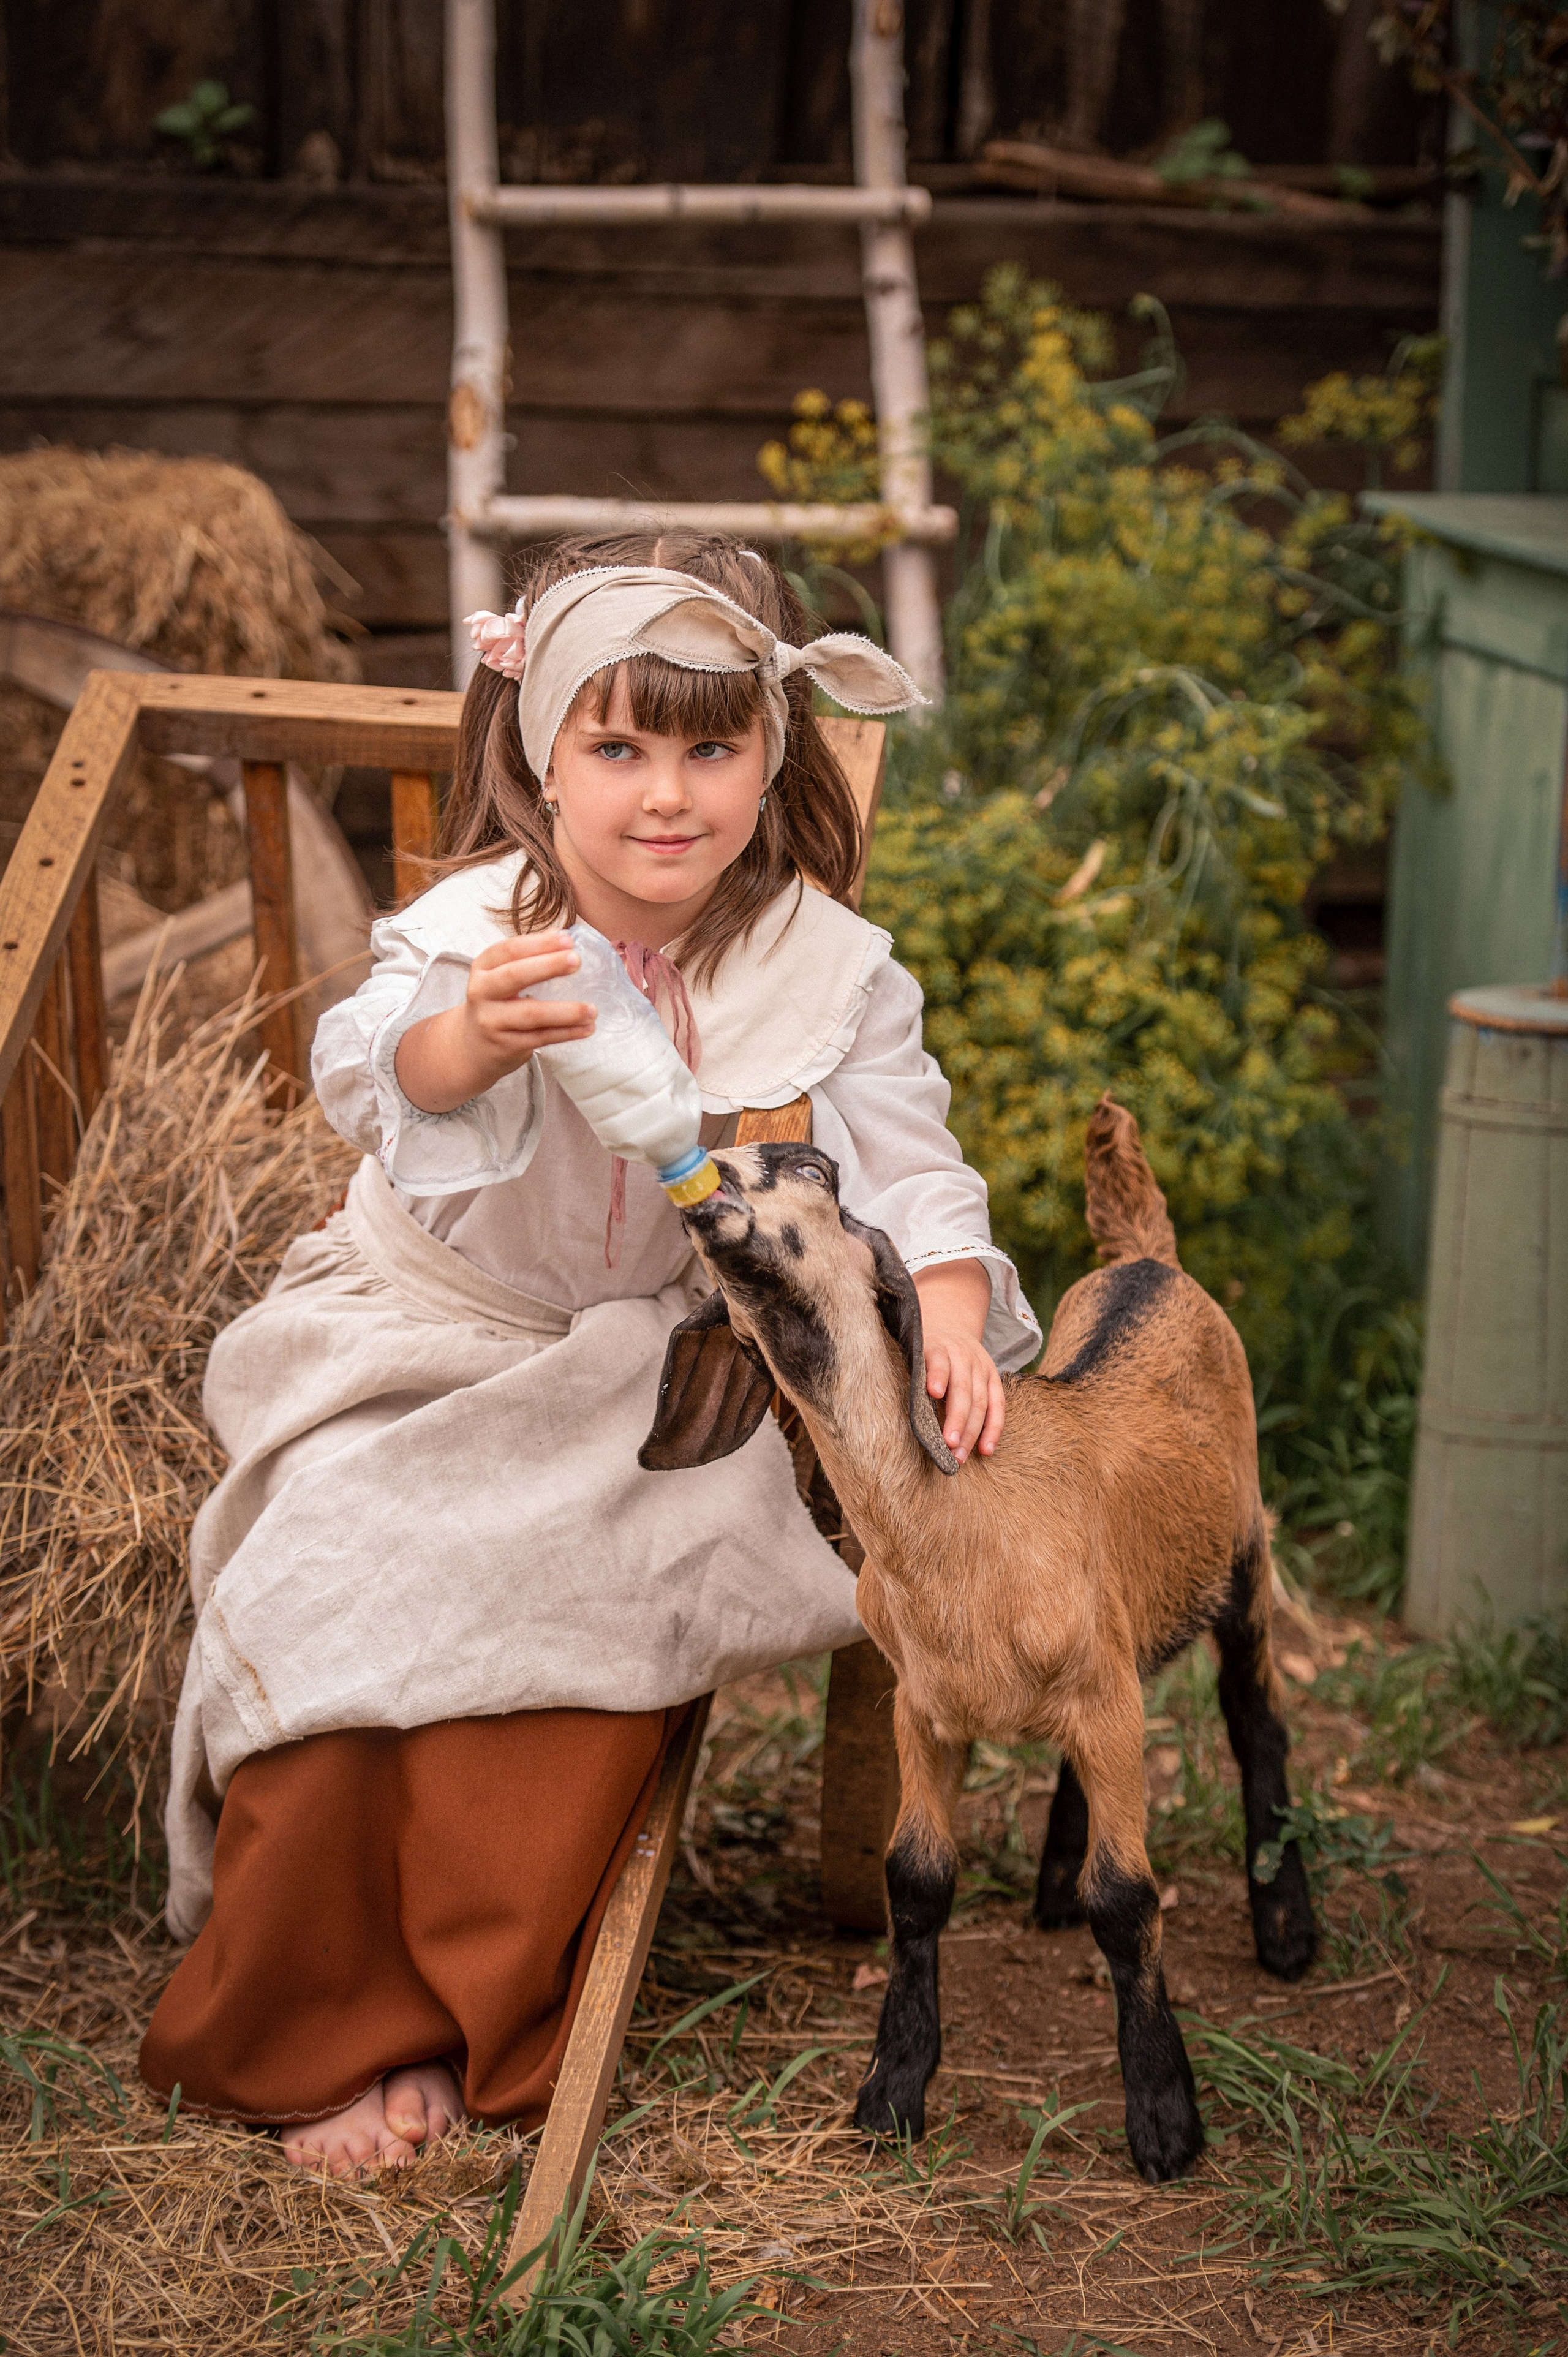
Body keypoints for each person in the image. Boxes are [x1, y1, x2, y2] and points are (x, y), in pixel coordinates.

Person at [139, 532, 1041, 2178]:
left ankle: (465, 2015)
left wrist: (959, 1304)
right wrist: (475, 1030)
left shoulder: (826, 963)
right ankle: (321, 2021)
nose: (667, 794)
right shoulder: (479, 927)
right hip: (425, 1335)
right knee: (335, 1582)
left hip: (642, 1379)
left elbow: (910, 1162)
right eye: (619, 746)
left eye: (713, 745)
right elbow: (377, 1069)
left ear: (774, 756)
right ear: (544, 759)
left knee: (572, 1641)